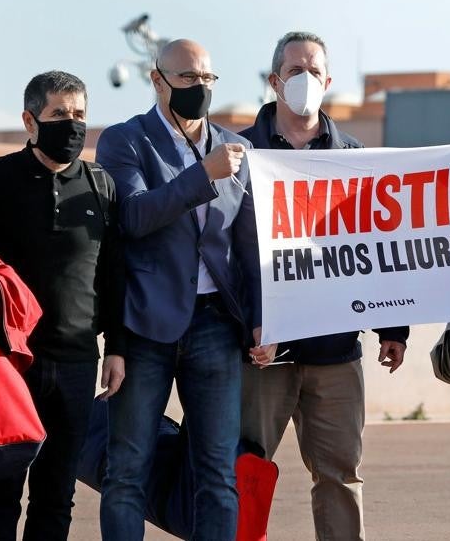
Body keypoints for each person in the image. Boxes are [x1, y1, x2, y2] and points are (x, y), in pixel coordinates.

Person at [96, 38, 274, 540]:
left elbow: (249, 246)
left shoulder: (238, 150)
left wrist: (262, 318)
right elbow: (132, 218)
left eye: (207, 79)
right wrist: (203, 175)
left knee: (217, 474)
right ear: (158, 80)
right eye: (188, 78)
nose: (200, 88)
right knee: (127, 471)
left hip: (216, 326)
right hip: (146, 328)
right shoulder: (125, 141)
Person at [239, 31, 409, 541]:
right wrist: (248, 325)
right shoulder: (239, 154)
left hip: (336, 352)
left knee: (340, 476)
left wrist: (391, 328)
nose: (305, 81)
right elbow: (223, 255)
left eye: (315, 72)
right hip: (262, 352)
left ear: (329, 82)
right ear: (274, 81)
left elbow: (373, 249)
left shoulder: (354, 157)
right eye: (295, 72)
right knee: (244, 472)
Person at [0, 71, 126, 541]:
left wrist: (116, 348)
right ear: (29, 120)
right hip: (12, 363)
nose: (72, 124)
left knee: (56, 495)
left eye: (79, 114)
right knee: (0, 492)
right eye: (59, 114)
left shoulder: (101, 186)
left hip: (79, 363)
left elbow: (113, 272)